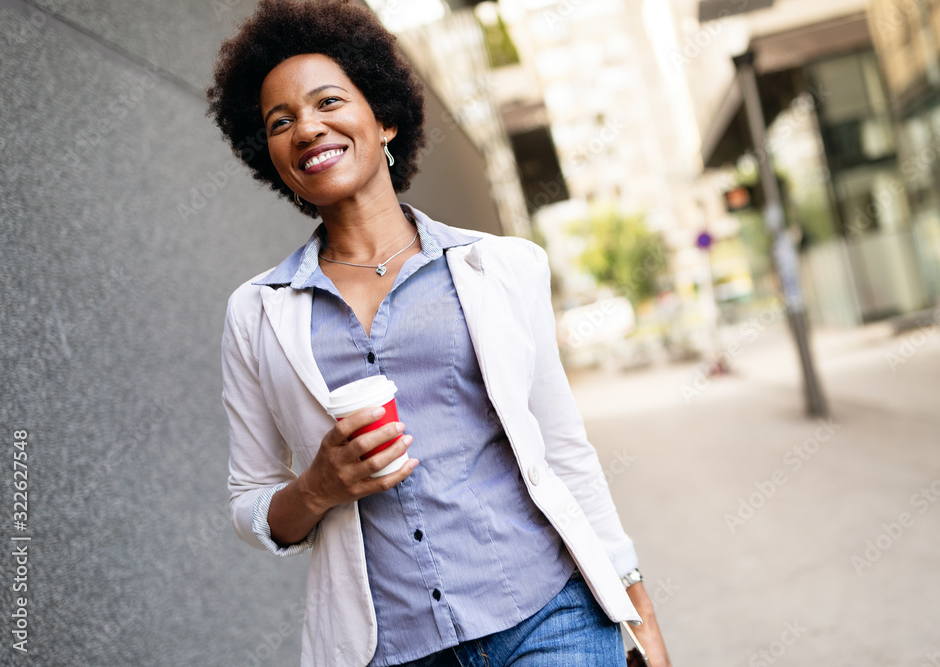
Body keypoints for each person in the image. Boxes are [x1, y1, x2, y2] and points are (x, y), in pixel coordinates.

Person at [208, 1, 672, 665]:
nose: (306, 128)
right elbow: (250, 504)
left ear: (385, 118)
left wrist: (639, 609)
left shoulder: (502, 268)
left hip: (548, 616)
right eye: (280, 122)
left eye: (327, 102)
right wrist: (318, 485)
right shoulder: (256, 313)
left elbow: (565, 449)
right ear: (274, 157)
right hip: (392, 649)